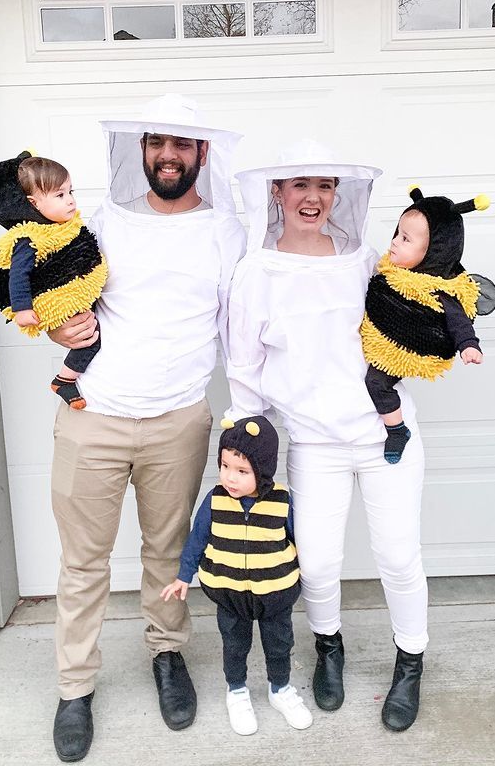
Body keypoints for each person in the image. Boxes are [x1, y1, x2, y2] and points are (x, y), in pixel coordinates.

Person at [47, 95, 246, 762]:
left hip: (179, 420)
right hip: (93, 417)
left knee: (166, 555)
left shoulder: (227, 230)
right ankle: (75, 687)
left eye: (181, 144)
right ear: (143, 151)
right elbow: (60, 300)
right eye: (158, 142)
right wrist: (57, 326)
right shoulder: (104, 223)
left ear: (202, 155)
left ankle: (167, 657)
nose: (168, 154)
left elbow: (246, 325)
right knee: (83, 563)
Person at [226, 139, 428, 734]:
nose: (313, 197)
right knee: (314, 562)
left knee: (397, 556)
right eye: (300, 185)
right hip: (314, 442)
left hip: (386, 435)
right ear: (277, 193)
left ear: (338, 194)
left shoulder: (365, 261)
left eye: (325, 185)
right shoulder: (255, 273)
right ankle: (329, 649)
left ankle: (410, 662)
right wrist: (248, 453)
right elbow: (244, 371)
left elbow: (414, 317)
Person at [161, 415, 312, 736]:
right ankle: (237, 691)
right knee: (234, 644)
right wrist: (183, 576)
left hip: (275, 593)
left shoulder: (282, 501)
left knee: (279, 643)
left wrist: (307, 575)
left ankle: (280, 689)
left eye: (242, 471)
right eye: (225, 466)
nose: (230, 477)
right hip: (228, 593)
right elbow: (197, 539)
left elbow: (302, 541)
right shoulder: (215, 499)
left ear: (263, 469)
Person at [0, 151, 107, 412]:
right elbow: (18, 275)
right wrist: (23, 309)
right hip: (55, 301)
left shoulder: (63, 227)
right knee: (92, 338)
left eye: (70, 192)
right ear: (33, 204)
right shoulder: (28, 238)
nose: (70, 201)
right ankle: (64, 380)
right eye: (60, 195)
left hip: (75, 293)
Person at [362, 186, 492, 464]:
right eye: (397, 234)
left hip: (399, 353)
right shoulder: (389, 272)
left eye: (406, 239)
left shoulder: (438, 290)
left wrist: (468, 346)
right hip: (377, 339)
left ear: (434, 251)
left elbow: (459, 323)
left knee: (376, 382)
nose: (395, 242)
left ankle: (396, 430)